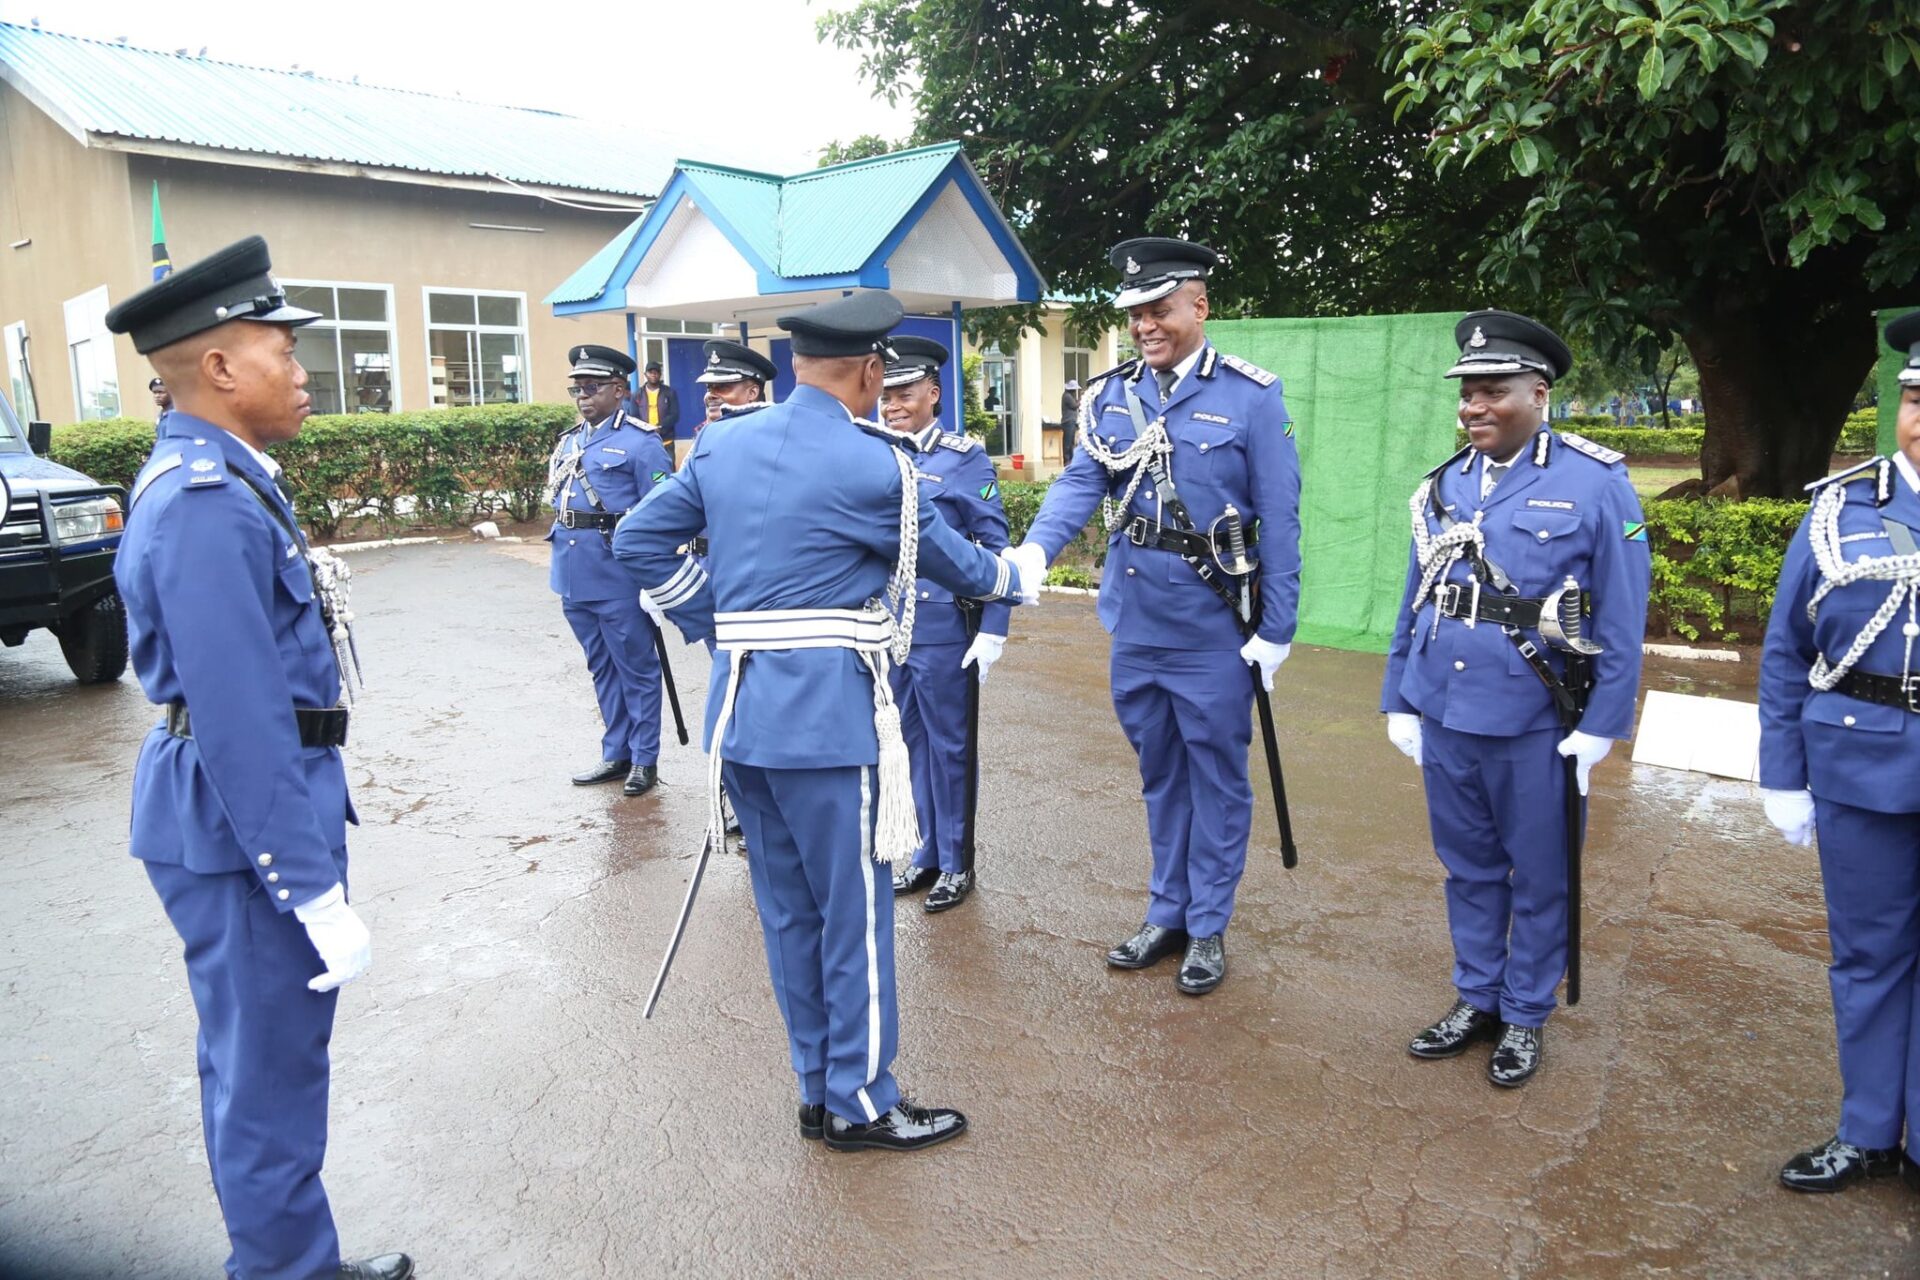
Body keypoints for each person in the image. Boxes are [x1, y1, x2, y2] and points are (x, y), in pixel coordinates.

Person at [612, 289, 1030, 1153]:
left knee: (790, 915)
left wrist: (715, 623)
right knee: (857, 917)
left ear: (796, 363)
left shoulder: (724, 443)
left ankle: (816, 1087)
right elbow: (959, 568)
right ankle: (863, 1102)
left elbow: (637, 542)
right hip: (832, 726)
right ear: (873, 370)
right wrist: (1016, 573)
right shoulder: (877, 466)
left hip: (744, 722)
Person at [104, 236, 412, 1280]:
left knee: (262, 1066)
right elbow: (241, 722)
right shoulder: (203, 505)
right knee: (266, 1077)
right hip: (240, 839)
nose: (302, 370)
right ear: (222, 368)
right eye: (282, 350)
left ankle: (292, 1261)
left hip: (237, 821)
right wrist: (310, 887)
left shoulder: (228, 481)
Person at [1003, 237, 1301, 996]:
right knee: (1160, 775)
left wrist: (1277, 629)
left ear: (1198, 306)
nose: (1144, 325)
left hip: (1213, 631)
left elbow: (1282, 516)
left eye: (1159, 309)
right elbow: (1080, 482)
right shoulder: (1108, 396)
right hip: (1135, 626)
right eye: (1135, 313)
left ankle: (1207, 925)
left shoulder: (1250, 396)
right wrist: (1036, 550)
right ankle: (1167, 910)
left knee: (1216, 778)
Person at [1380, 310, 1650, 1088]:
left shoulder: (1596, 483)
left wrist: (1603, 727)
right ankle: (1477, 997)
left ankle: (1526, 1012)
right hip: (1446, 710)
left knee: (1539, 872)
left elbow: (1624, 618)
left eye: (1493, 391)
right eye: (1467, 393)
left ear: (1539, 393)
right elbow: (1416, 597)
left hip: (1538, 717)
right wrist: (1400, 694)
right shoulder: (1443, 485)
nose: (1474, 407)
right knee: (1466, 866)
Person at [1761, 312, 1920, 1193]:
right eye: (1915, 397)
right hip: (1859, 764)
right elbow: (1787, 650)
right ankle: (1867, 1130)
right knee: (1869, 955)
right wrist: (1783, 775)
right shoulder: (1842, 508)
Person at [879, 335, 1010, 913]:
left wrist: (994, 625)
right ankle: (927, 851)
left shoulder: (963, 458)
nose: (892, 405)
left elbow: (994, 546)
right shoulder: (875, 451)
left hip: (942, 626)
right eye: (885, 395)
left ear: (933, 393)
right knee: (908, 744)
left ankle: (957, 863)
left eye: (904, 393)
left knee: (951, 747)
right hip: (888, 625)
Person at [548, 344, 674, 796]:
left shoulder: (643, 443)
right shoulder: (569, 441)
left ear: (620, 390)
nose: (583, 396)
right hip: (573, 572)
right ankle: (616, 751)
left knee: (636, 668)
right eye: (576, 388)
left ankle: (644, 759)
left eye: (592, 387)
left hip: (619, 576)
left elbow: (663, 512)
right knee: (601, 667)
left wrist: (654, 579)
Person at [695, 338, 775, 432]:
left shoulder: (767, 433)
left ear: (752, 393)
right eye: (709, 388)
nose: (710, 395)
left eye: (722, 387)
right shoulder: (704, 435)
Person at [632, 359, 680, 437]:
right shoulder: (637, 395)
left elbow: (674, 415)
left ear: (660, 374)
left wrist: (660, 427)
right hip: (644, 438)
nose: (653, 374)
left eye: (656, 372)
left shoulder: (670, 392)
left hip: (666, 439)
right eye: (650, 372)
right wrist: (647, 428)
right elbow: (634, 417)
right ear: (645, 374)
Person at [1059, 379, 1080, 466]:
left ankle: (1071, 460)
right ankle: (1067, 461)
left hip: (1071, 421)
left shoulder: (1069, 396)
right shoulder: (1067, 396)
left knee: (1071, 442)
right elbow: (1074, 406)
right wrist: (1082, 399)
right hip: (1068, 422)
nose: (1075, 391)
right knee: (1067, 442)